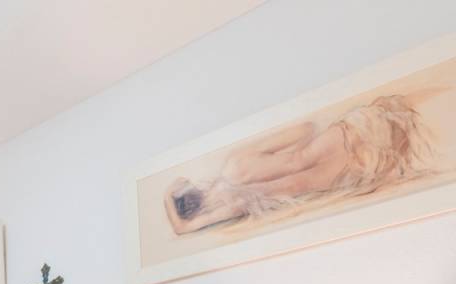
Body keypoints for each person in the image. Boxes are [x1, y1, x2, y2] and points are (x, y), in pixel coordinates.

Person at [165, 94, 435, 234]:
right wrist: (292, 156)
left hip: (331, 176)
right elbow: (305, 129)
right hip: (332, 144)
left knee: (301, 180)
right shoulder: (235, 163)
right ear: (193, 187)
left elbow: (182, 228)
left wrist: (169, 199)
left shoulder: (232, 205)